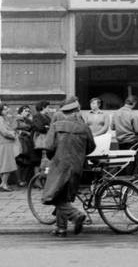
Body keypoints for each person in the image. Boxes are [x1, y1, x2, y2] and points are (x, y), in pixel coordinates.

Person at [41, 97, 96, 237]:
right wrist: (80, 154)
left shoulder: (56, 126)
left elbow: (48, 147)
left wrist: (52, 157)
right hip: (77, 166)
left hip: (60, 165)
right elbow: (91, 147)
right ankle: (61, 228)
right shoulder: (84, 128)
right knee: (63, 196)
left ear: (64, 112)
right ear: (77, 111)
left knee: (53, 196)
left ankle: (76, 215)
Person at [0, 103, 18, 191]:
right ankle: (3, 184)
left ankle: (3, 183)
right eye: (4, 109)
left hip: (6, 144)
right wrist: (13, 134)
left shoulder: (3, 118)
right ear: (0, 110)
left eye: (7, 108)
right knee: (6, 164)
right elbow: (5, 132)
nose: (7, 110)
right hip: (5, 143)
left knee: (7, 164)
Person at [31, 100, 51, 175]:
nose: (49, 109)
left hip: (46, 141)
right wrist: (46, 127)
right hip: (39, 142)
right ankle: (38, 179)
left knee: (46, 160)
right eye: (48, 107)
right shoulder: (37, 116)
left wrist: (46, 127)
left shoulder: (48, 117)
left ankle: (44, 176)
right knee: (38, 160)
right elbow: (39, 127)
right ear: (43, 107)